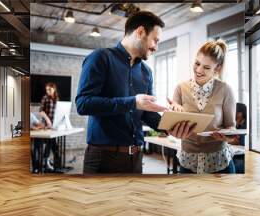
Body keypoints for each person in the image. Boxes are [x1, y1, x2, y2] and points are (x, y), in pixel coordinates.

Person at [76, 11, 196, 174]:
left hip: (136, 158)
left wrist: (171, 126)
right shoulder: (100, 58)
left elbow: (147, 114)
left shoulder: (147, 72)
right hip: (103, 158)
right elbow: (83, 104)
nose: (156, 47)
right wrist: (133, 102)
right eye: (155, 40)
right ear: (140, 32)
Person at [169, 39, 237, 174]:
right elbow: (172, 130)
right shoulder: (180, 89)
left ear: (217, 68)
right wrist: (173, 114)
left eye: (206, 67)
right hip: (188, 161)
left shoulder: (225, 90)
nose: (199, 70)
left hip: (218, 161)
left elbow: (231, 128)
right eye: (197, 63)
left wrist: (226, 136)